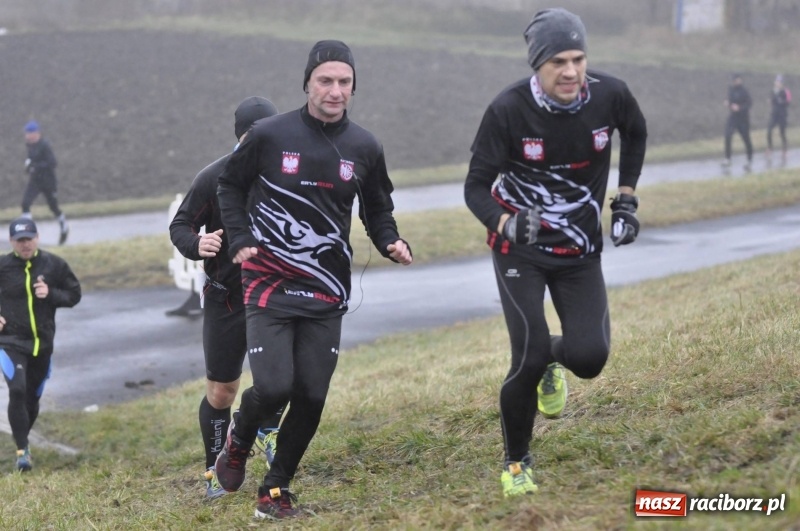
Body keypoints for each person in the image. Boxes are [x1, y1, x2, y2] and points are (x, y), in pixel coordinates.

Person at [215, 40, 413, 519]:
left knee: (312, 395)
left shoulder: (364, 146)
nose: (335, 90)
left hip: (327, 288)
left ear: (354, 87)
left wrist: (390, 240)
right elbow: (229, 185)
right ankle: (239, 437)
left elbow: (377, 208)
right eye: (325, 80)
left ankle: (274, 490)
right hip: (269, 284)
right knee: (274, 388)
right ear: (307, 83)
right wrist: (240, 237)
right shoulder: (269, 135)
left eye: (344, 82)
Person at [463, 8, 647, 497]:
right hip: (519, 249)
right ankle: (516, 462)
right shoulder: (508, 109)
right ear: (537, 65)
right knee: (526, 356)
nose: (570, 71)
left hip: (580, 250)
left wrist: (626, 199)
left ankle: (551, 358)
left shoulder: (611, 95)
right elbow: (475, 187)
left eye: (578, 59)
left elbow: (637, 131)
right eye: (558, 62)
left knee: (590, 357)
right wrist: (504, 222)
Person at [169, 96, 286, 499]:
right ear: (241, 137)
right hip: (226, 298)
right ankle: (215, 467)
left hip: (273, 293)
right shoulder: (214, 177)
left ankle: (268, 431)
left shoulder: (288, 172)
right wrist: (197, 244)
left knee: (280, 376)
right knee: (222, 392)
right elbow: (180, 225)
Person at [0, 217, 81, 472]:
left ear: (37, 238)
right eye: (19, 240)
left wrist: (51, 294)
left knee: (32, 399)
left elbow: (74, 294)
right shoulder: (2, 266)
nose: (25, 244)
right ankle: (22, 451)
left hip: (42, 345)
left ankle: (22, 438)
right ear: (11, 241)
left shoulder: (54, 265)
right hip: (10, 341)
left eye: (29, 239)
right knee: (17, 389)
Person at [22, 121, 69, 245]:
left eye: (29, 133)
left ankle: (64, 226)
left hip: (48, 181)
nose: (27, 136)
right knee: (25, 203)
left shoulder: (44, 145)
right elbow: (32, 161)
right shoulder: (29, 145)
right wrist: (28, 166)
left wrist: (35, 166)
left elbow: (52, 163)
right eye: (26, 133)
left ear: (36, 133)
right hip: (35, 181)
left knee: (53, 207)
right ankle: (28, 233)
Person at [722, 73, 754, 171]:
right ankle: (727, 159)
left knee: (746, 139)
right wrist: (728, 103)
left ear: (740, 80)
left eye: (736, 80)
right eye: (734, 80)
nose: (735, 82)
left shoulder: (744, 91)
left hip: (743, 119)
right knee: (727, 135)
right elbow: (730, 101)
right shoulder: (731, 90)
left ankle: (749, 159)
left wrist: (739, 108)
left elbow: (749, 103)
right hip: (733, 117)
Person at [766, 74, 791, 167]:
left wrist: (782, 101)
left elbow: (788, 102)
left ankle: (784, 149)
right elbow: (771, 100)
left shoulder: (785, 91)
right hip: (774, 115)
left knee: (782, 133)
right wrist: (770, 101)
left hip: (782, 115)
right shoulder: (773, 91)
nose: (778, 83)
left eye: (780, 82)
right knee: (769, 130)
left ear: (782, 83)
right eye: (777, 81)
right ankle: (770, 148)